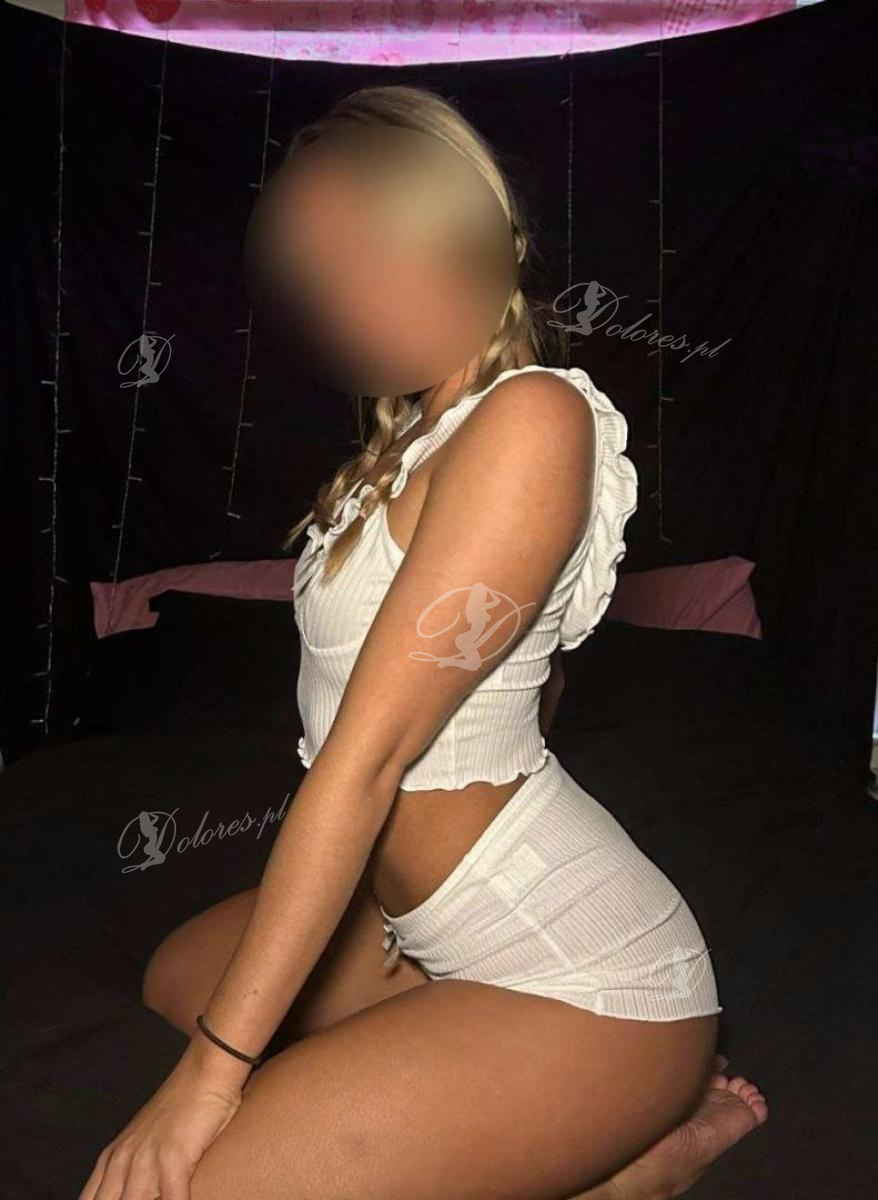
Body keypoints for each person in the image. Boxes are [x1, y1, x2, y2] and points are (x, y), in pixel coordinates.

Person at [80, 85, 767, 1200]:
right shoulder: (420, 436)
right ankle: (515, 1081)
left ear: (472, 234)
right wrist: (407, 899)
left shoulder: (530, 416)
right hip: (433, 916)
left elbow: (367, 761)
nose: (345, 297)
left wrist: (210, 1078)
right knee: (178, 978)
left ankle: (638, 1156)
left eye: (372, 250)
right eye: (318, 272)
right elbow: (529, 678)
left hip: (589, 981)